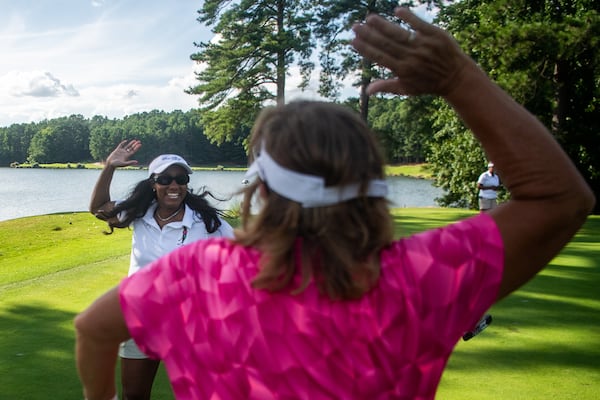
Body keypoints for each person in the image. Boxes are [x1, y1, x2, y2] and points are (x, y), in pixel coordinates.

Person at [75, 7, 595, 400]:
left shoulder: (195, 274)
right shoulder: (424, 277)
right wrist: (460, 79)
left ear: (261, 188)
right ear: (371, 181)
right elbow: (560, 197)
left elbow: (93, 330)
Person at [88, 140, 235, 400]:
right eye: (165, 179)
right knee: (134, 394)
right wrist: (110, 166)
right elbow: (98, 208)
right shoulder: (138, 213)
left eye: (181, 178)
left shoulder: (208, 224)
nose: (174, 185)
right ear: (153, 184)